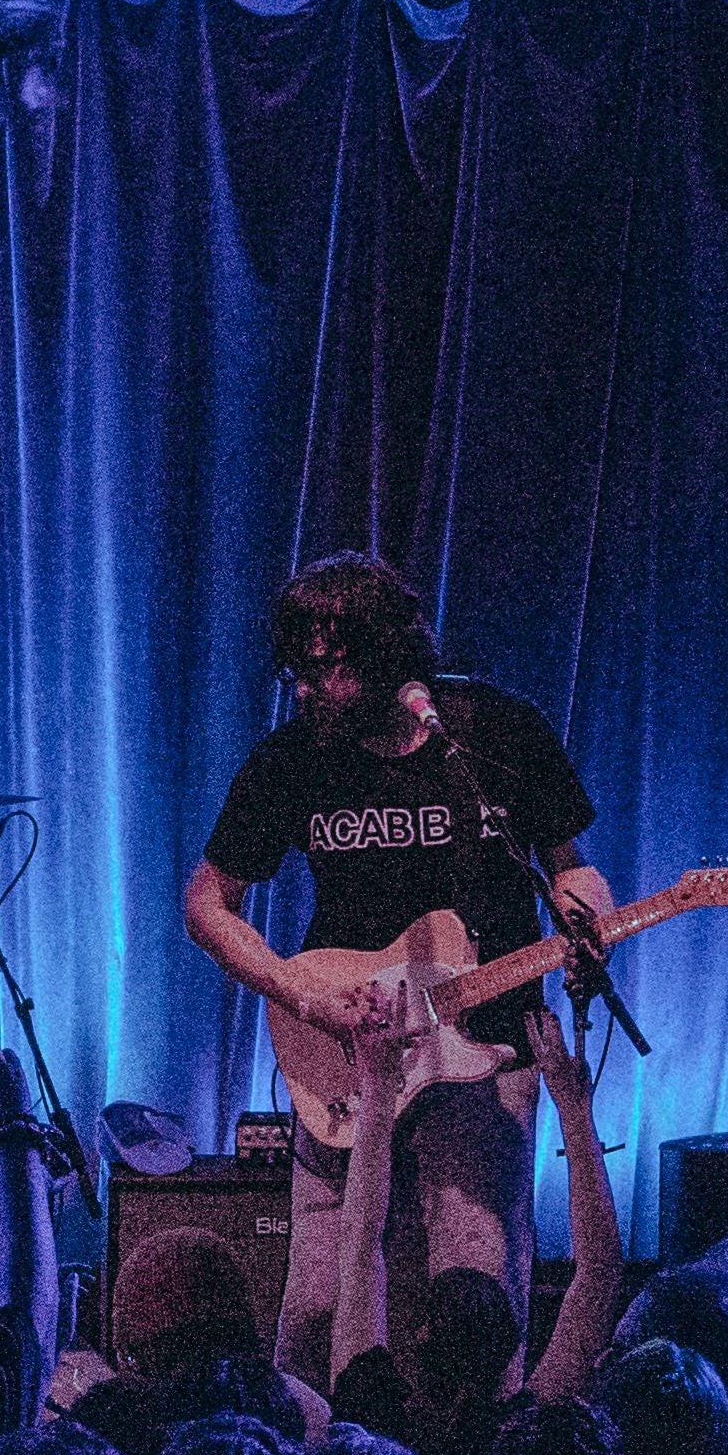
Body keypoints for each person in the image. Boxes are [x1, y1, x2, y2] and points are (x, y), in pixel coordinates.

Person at [179, 548, 617, 1382]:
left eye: (326, 669)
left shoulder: (495, 734)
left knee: (475, 1302)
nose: (303, 689)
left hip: (485, 1053)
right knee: (313, 1319)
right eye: (294, 669)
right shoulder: (293, 759)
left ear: (386, 657)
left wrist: (582, 904)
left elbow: (570, 864)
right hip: (347, 1051)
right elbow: (207, 904)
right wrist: (298, 991)